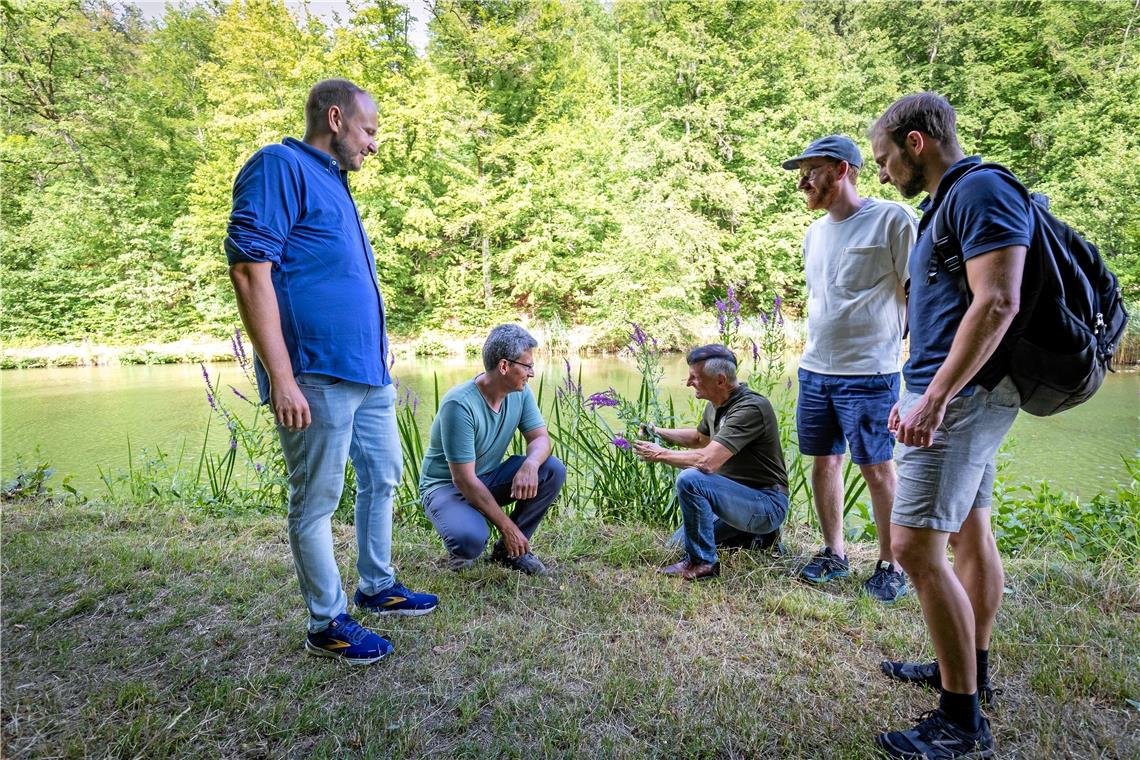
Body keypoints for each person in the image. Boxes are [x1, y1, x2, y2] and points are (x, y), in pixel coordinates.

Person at [226, 79, 437, 666]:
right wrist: (282, 377)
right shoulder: (280, 165)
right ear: (338, 119)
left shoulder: (337, 185)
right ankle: (327, 622)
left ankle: (377, 584)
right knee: (316, 500)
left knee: (384, 475)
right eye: (370, 132)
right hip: (314, 372)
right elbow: (249, 270)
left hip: (367, 373)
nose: (374, 146)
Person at [869, 92, 1031, 758]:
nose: (881, 174)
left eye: (883, 158)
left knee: (911, 548)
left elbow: (997, 301)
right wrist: (915, 388)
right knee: (969, 528)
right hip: (953, 389)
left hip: (963, 396)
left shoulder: (980, 188)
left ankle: (961, 723)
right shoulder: (950, 201)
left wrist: (934, 398)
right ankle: (967, 669)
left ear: (915, 142)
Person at [781, 135, 917, 603]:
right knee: (825, 461)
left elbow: (917, 294)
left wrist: (917, 368)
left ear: (842, 170)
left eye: (812, 171)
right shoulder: (815, 233)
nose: (803, 182)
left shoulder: (892, 220)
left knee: (878, 468)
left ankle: (891, 563)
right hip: (816, 369)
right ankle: (833, 553)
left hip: (871, 372)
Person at [419, 324, 565, 576]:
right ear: (504, 366)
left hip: (486, 478)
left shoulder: (520, 393)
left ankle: (510, 553)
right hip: (447, 487)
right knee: (470, 540)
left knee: (551, 470)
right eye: (527, 366)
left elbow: (540, 438)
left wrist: (530, 465)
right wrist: (507, 527)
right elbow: (463, 479)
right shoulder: (459, 405)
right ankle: (471, 544)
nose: (532, 373)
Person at [634, 345, 789, 581]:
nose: (688, 383)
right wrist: (657, 432)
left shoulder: (752, 408)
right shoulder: (715, 405)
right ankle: (757, 539)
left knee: (691, 479)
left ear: (720, 380)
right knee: (676, 544)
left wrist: (659, 454)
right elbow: (699, 439)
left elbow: (706, 461)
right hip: (736, 499)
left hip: (766, 504)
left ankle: (702, 564)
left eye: (695, 377)